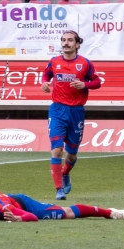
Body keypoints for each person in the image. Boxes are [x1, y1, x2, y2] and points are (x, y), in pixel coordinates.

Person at [40, 31, 101, 200]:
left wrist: (84, 84)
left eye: (70, 40)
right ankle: (59, 189)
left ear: (77, 44)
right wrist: (44, 82)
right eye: (63, 40)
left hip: (76, 112)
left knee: (71, 154)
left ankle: (65, 173)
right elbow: (46, 74)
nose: (66, 43)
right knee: (57, 150)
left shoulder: (85, 63)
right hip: (57, 110)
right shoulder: (54, 61)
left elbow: (97, 82)